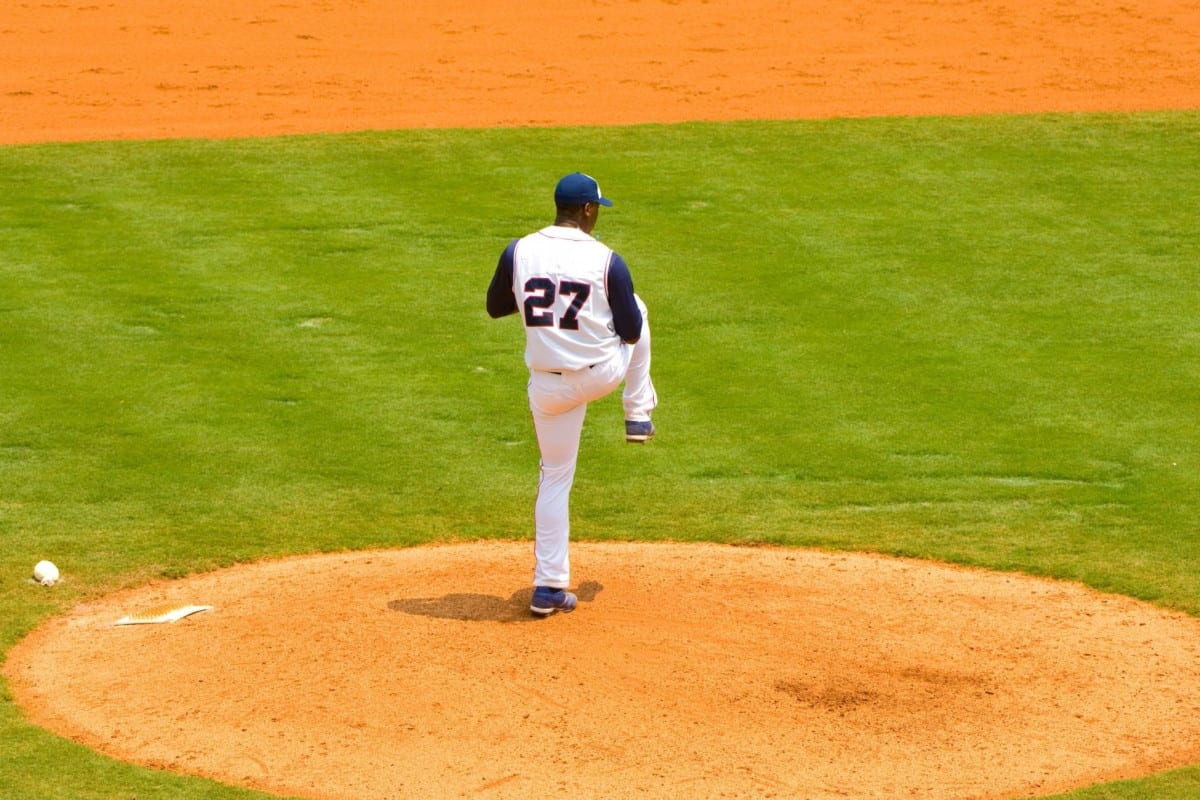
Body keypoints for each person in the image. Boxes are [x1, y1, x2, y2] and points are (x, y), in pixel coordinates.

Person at [487, 172, 657, 617]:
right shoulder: (607, 260)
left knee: (554, 476)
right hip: (600, 374)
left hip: (547, 387)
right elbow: (632, 332)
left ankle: (548, 586)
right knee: (639, 308)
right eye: (597, 207)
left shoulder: (518, 250)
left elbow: (494, 306)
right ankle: (637, 414)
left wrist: (536, 301)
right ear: (586, 209)